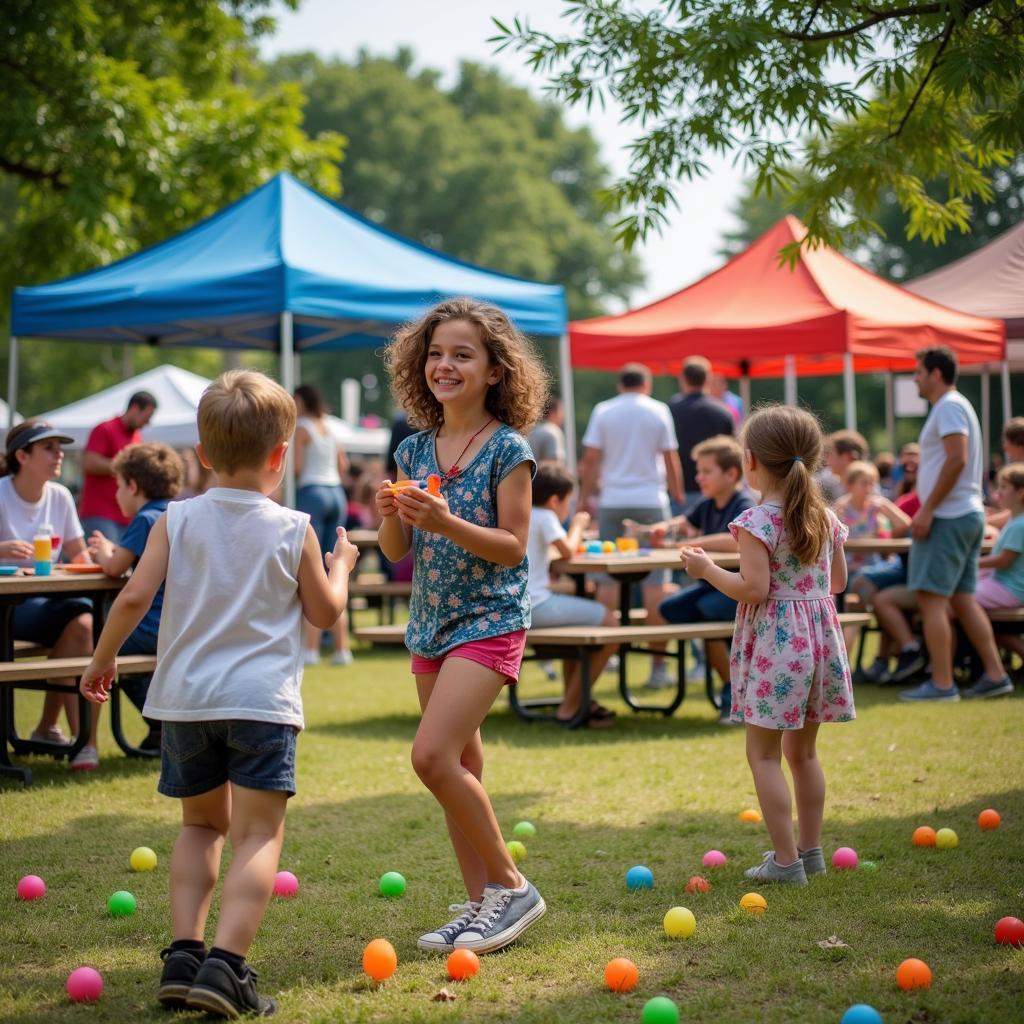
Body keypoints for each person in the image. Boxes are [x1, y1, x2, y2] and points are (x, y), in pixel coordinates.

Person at [79, 370, 358, 1017]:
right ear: (281, 455)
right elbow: (323, 612)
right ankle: (227, 969)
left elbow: (135, 596)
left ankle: (184, 955)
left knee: (200, 825)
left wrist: (101, 660)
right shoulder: (295, 528)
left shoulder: (175, 519)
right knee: (258, 835)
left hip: (186, 700)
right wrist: (341, 566)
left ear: (201, 454)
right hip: (261, 705)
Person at [377, 297, 547, 956]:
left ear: (496, 370)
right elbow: (394, 552)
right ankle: (481, 907)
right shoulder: (413, 447)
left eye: (462, 354)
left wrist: (444, 520)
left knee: (431, 757)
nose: (444, 365)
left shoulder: (510, 449)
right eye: (436, 354)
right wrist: (390, 512)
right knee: (463, 764)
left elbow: (512, 545)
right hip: (431, 623)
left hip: (491, 618)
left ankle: (511, 886)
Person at [682, 405, 853, 886]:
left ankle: (785, 861)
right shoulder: (825, 518)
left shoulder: (756, 521)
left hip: (778, 648)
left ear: (751, 460)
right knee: (805, 755)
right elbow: (837, 581)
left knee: (763, 755)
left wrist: (706, 571)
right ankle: (810, 850)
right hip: (820, 643)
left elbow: (754, 590)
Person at [901, 346, 1012, 702]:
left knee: (931, 599)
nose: (915, 378)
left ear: (935, 374)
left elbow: (957, 459)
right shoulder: (954, 405)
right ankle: (995, 675)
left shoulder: (948, 405)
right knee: (963, 599)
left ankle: (943, 684)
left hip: (948, 516)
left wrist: (927, 508)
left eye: (918, 372)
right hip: (965, 513)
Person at [0, 420, 99, 770]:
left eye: (60, 447)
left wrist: (99, 558)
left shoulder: (60, 496)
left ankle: (70, 737)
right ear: (22, 456)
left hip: (45, 603)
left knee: (84, 624)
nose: (60, 455)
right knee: (81, 618)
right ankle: (65, 734)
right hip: (7, 608)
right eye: (50, 448)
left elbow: (79, 556)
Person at [579, 363, 684, 688]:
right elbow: (670, 457)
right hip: (651, 500)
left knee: (606, 577)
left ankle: (606, 654)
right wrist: (677, 495)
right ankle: (657, 667)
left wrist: (585, 497)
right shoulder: (659, 410)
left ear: (619, 383)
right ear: (647, 384)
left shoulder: (604, 410)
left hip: (613, 499)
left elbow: (592, 458)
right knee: (655, 583)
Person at [87, 442, 185, 752]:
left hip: (148, 627)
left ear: (133, 485)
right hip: (178, 624)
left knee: (102, 645)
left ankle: (87, 742)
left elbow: (115, 568)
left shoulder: (146, 519)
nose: (116, 495)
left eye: (118, 486)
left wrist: (104, 552)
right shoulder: (179, 514)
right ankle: (161, 728)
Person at [650, 436, 755, 723]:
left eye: (706, 471)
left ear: (731, 474)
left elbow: (736, 540)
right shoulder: (708, 504)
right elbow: (682, 523)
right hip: (711, 587)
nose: (699, 477)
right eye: (698, 471)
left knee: (708, 611)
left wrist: (690, 543)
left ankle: (734, 689)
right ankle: (732, 684)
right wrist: (660, 527)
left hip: (740, 589)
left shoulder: (743, 503)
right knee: (671, 609)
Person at [527, 463, 617, 726]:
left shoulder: (524, 513)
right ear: (555, 500)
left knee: (578, 636)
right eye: (568, 502)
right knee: (611, 625)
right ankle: (571, 706)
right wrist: (577, 523)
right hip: (536, 605)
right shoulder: (544, 516)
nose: (568, 508)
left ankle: (577, 700)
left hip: (519, 604)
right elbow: (568, 551)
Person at [293, 385, 352, 667]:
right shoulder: (330, 426)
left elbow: (296, 468)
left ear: (301, 400)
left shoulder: (301, 427)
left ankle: (312, 649)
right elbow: (343, 466)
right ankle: (342, 649)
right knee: (334, 567)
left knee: (312, 569)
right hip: (336, 494)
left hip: (312, 492)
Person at [79, 391, 158, 542]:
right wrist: (125, 466)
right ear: (134, 408)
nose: (147, 423)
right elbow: (89, 463)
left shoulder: (136, 436)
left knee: (119, 564)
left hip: (126, 515)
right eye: (146, 418)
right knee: (105, 563)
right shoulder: (105, 429)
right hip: (100, 512)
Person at [973, 463, 1024, 674]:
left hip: (1011, 588)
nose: (997, 493)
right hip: (1005, 585)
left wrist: (971, 563)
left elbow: (1004, 561)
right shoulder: (1014, 520)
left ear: (1021, 493)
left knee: (961, 601)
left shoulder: (1019, 524)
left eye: (1004, 487)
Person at [668, 356, 735, 513]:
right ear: (708, 379)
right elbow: (733, 454)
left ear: (682, 379)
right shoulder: (723, 411)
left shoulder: (670, 410)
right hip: (717, 492)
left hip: (679, 492)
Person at [817, 429, 869, 506]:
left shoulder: (870, 491)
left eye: (830, 454)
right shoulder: (824, 485)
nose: (827, 461)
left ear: (846, 457)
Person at [527, 395, 567, 466]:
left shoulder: (532, 430)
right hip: (545, 476)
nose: (563, 417)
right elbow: (555, 467)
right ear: (553, 413)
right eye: (561, 412)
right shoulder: (553, 431)